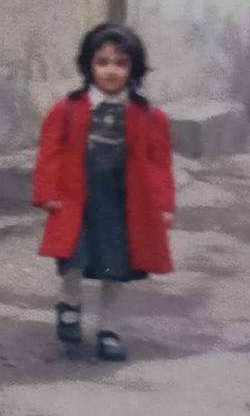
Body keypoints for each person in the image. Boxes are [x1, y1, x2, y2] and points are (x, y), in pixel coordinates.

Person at [32, 23, 175, 362]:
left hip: (123, 204)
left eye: (121, 63)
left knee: (117, 269)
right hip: (76, 200)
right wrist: (47, 192)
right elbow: (49, 154)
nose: (111, 70)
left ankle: (109, 330)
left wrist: (164, 205)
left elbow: (159, 165)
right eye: (103, 62)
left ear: (133, 69)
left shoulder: (150, 117)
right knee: (72, 259)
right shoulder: (66, 110)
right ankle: (70, 303)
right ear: (88, 66)